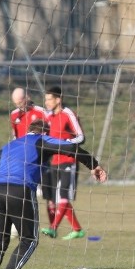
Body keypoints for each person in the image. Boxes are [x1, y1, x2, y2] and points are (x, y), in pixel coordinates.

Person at [0, 120, 107, 269]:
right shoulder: (41, 140)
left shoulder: (7, 146)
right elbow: (71, 148)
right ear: (44, 133)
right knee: (30, 239)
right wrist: (93, 165)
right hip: (20, 189)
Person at [40, 86, 88, 240]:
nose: (46, 102)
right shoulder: (49, 118)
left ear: (58, 100)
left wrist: (67, 143)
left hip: (69, 160)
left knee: (63, 196)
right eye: (46, 99)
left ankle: (53, 228)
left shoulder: (68, 114)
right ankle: (77, 229)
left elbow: (81, 137)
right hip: (54, 162)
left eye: (49, 99)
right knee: (59, 199)